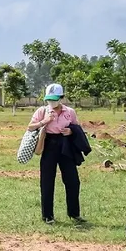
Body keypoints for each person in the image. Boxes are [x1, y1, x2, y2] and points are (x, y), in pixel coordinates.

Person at [28, 84, 85, 226]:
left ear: (61, 98)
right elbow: (30, 127)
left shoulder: (70, 112)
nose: (51, 102)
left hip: (65, 145)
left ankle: (74, 213)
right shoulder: (42, 111)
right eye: (49, 99)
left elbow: (77, 127)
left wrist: (71, 131)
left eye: (54, 99)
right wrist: (44, 121)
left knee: (73, 181)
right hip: (49, 145)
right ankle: (47, 216)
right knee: (47, 181)